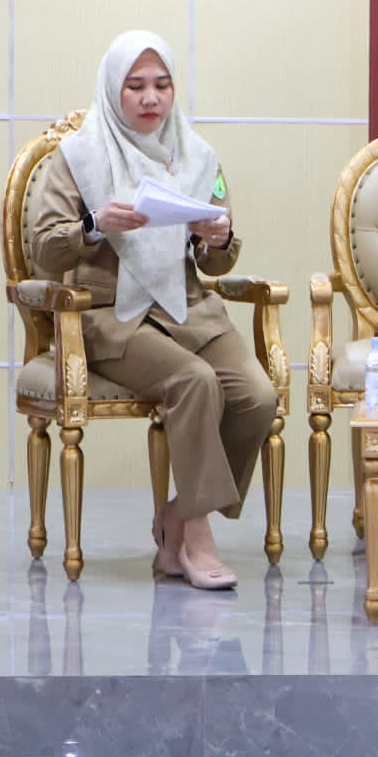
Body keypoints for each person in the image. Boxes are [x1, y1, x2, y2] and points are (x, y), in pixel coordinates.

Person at [29, 30, 277, 591]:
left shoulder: (198, 156)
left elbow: (218, 260)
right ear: (112, 90)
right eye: (135, 86)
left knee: (257, 396)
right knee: (194, 382)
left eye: (161, 85)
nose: (150, 98)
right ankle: (197, 538)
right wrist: (95, 225)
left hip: (187, 307)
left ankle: (177, 516)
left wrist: (218, 236)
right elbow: (44, 251)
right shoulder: (77, 158)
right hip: (109, 316)